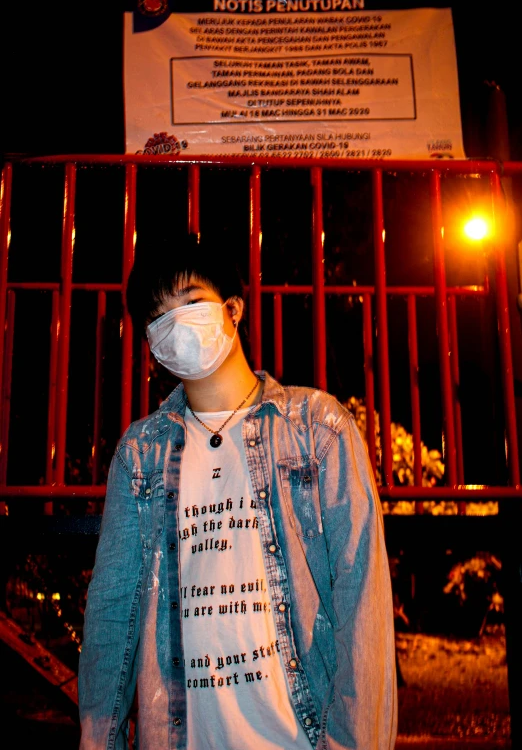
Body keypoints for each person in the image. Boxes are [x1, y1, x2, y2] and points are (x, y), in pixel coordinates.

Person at [78, 232, 398, 749]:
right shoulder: (139, 454)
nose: (175, 324)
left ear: (234, 308)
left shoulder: (319, 430)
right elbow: (112, 611)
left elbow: (362, 603)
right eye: (158, 317)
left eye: (191, 302)